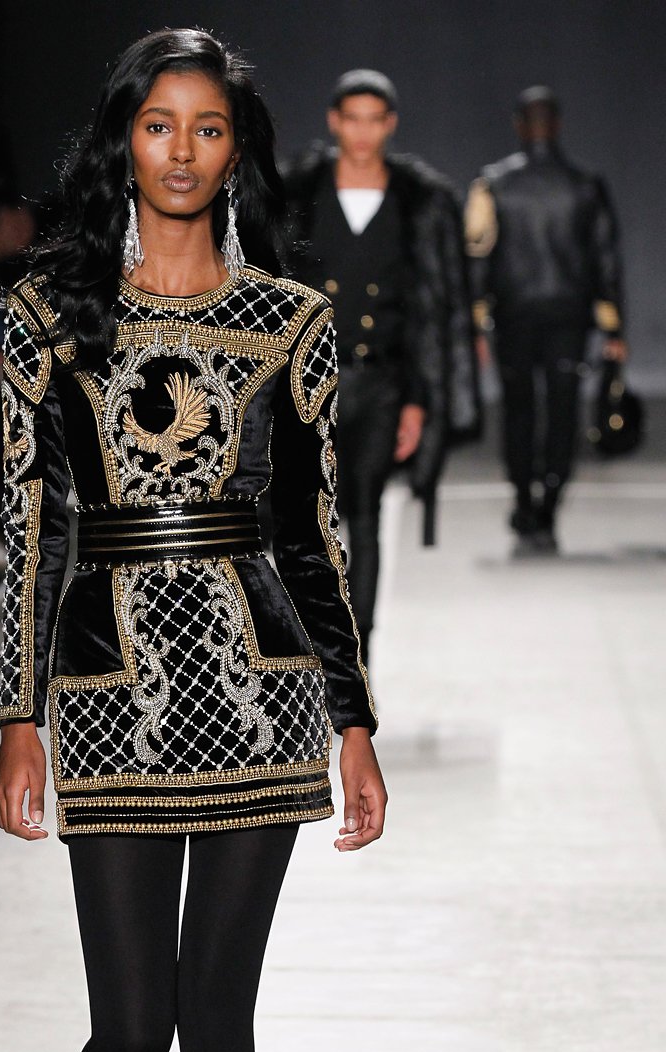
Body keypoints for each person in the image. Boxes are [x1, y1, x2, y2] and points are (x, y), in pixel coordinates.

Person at [0, 28, 387, 1052]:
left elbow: (313, 529)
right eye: (158, 125)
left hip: (259, 687)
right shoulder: (50, 316)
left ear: (235, 149)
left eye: (207, 128)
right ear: (125, 139)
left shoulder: (289, 318)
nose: (180, 150)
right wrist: (19, 710)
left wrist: (353, 715)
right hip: (106, 689)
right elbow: (32, 522)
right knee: (130, 1029)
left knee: (217, 1018)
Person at [286, 69, 479, 665]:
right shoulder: (299, 196)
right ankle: (312, 647)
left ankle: (356, 655)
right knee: (309, 520)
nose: (364, 133)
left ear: (390, 124)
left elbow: (428, 311)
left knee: (365, 515)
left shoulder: (417, 204)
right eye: (354, 119)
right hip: (308, 382)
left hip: (381, 383)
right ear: (335, 122)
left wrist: (418, 401)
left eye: (375, 120)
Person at [466, 86, 627, 555]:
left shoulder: (493, 184)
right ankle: (548, 506)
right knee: (562, 410)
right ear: (556, 126)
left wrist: (476, 320)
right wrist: (614, 328)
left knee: (518, 408)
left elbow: (476, 257)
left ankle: (523, 500)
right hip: (568, 317)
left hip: (513, 315)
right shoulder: (585, 185)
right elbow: (606, 261)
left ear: (519, 126)